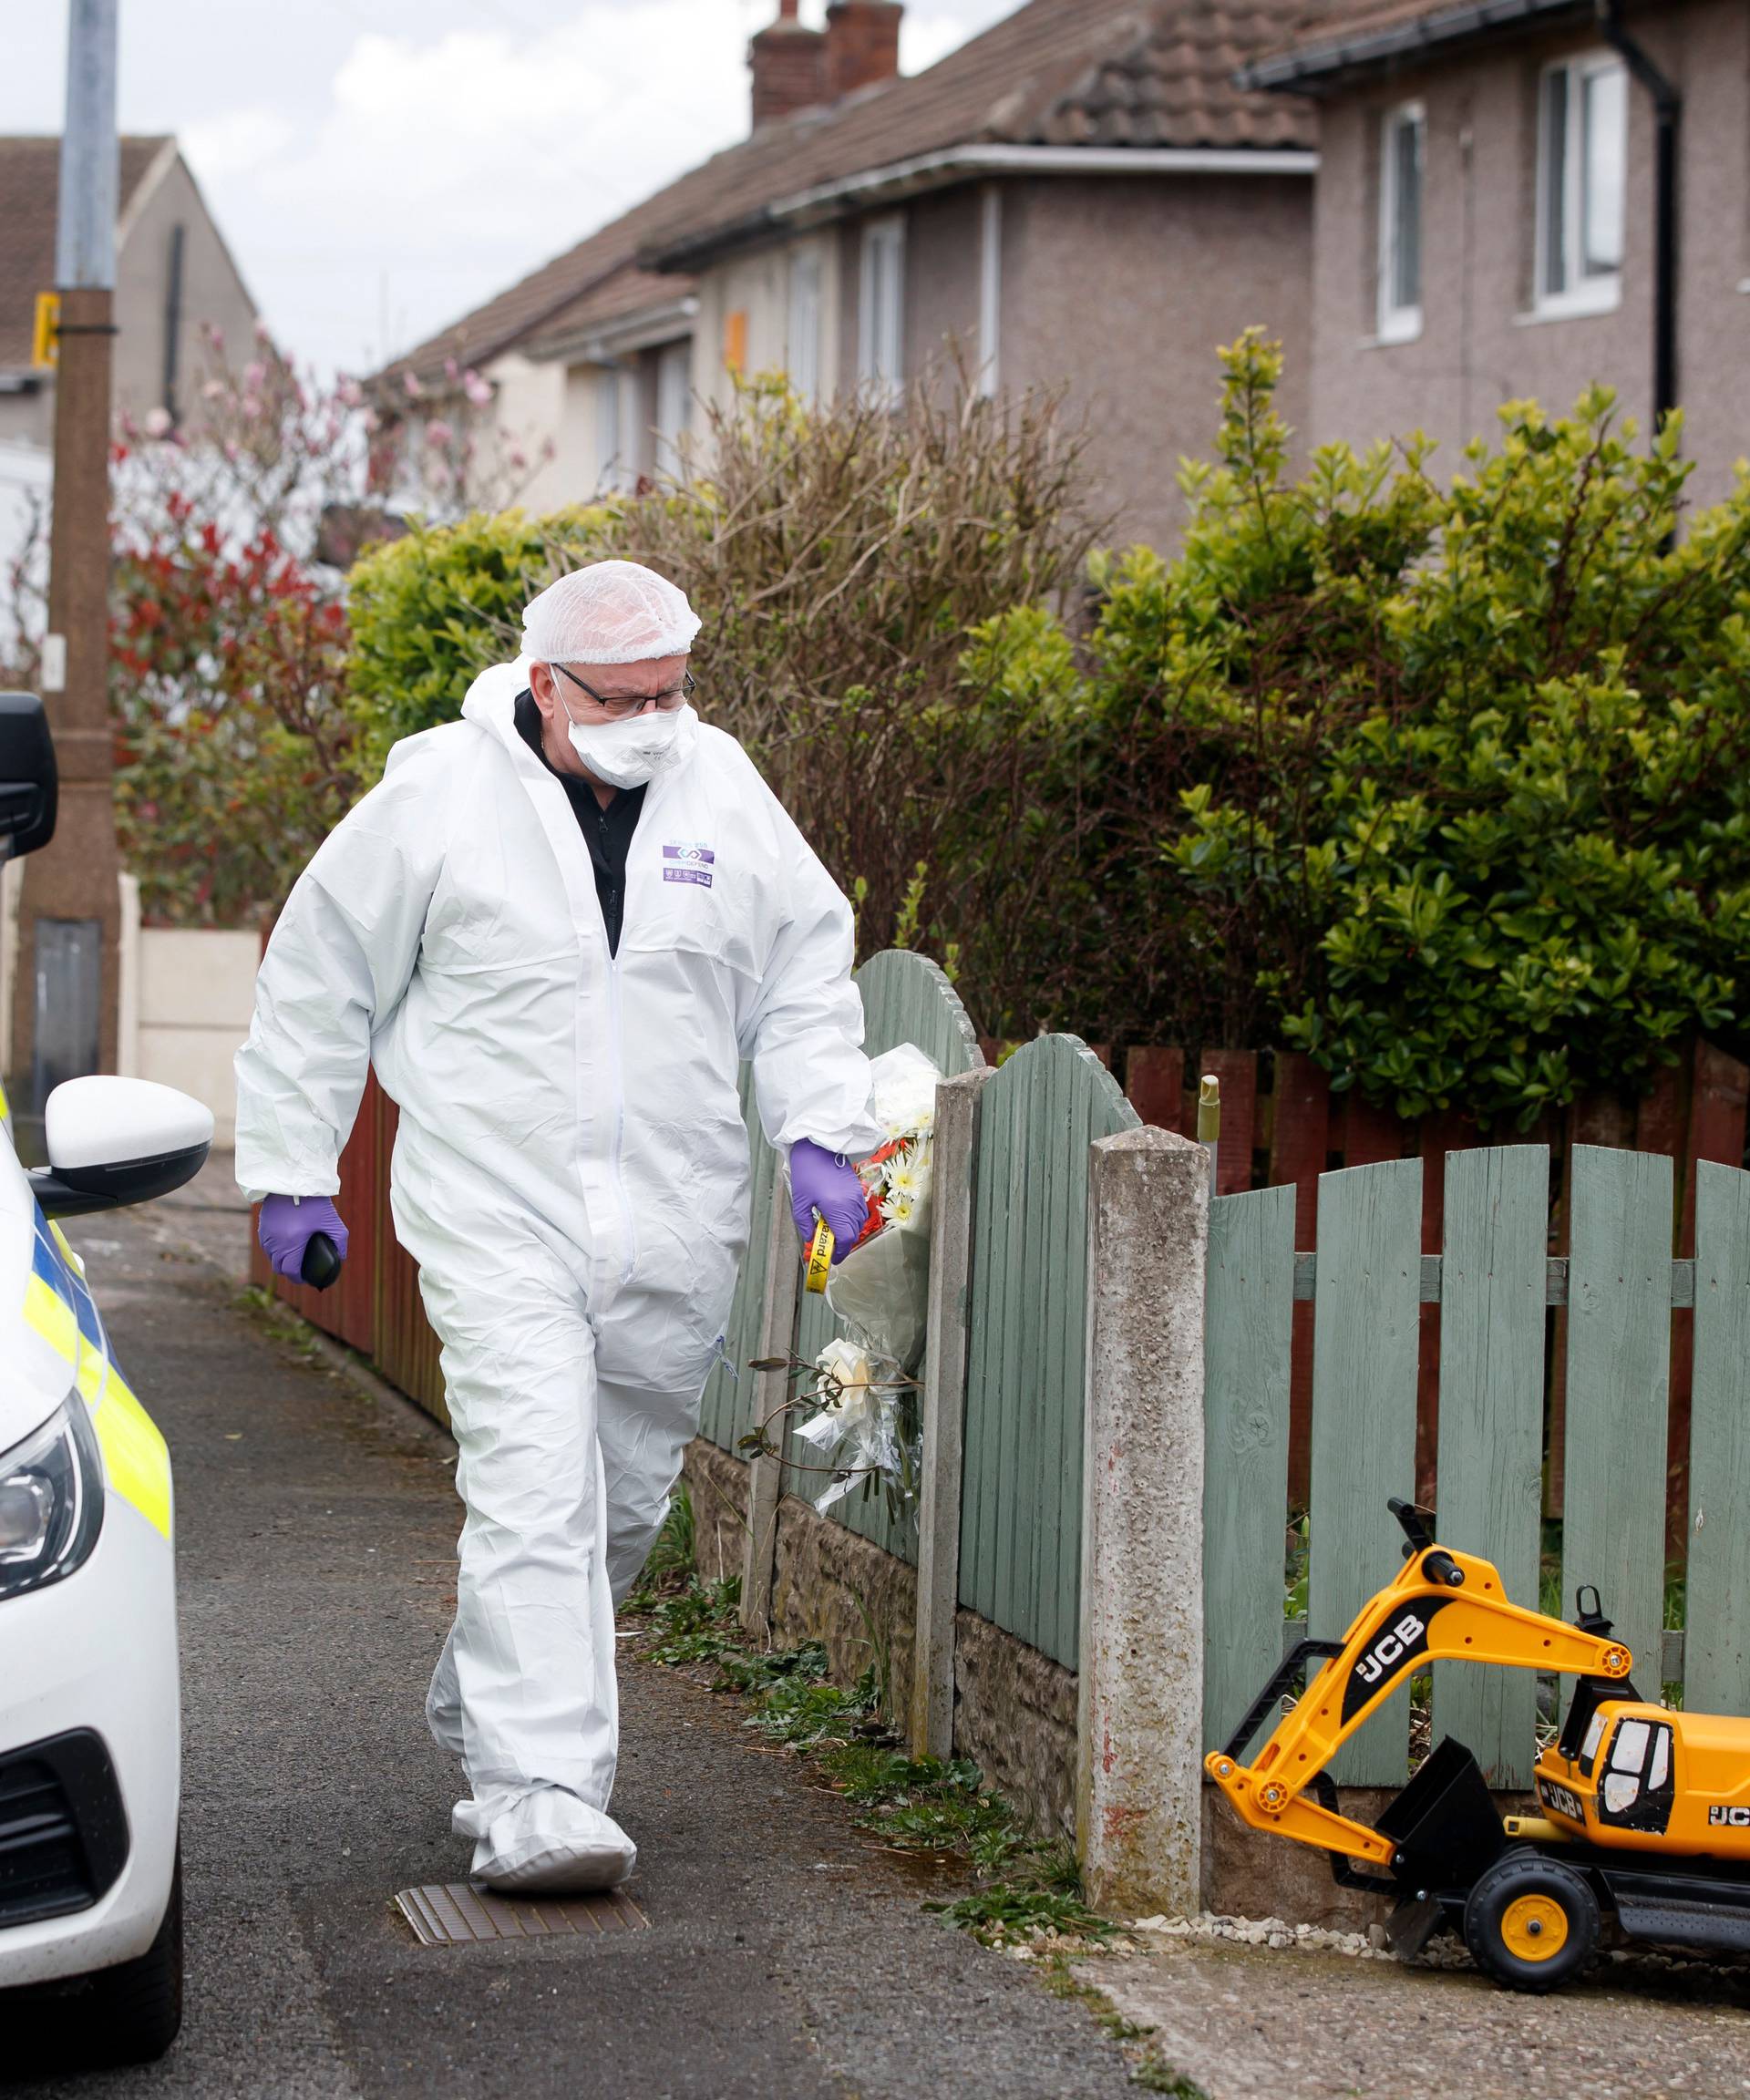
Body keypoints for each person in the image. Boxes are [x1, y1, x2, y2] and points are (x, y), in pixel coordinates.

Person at [236, 560, 878, 1893]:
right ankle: (540, 1800)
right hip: (496, 1204)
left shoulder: (724, 790)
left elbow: (805, 970)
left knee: (616, 1506)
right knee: (533, 1481)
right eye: (626, 697)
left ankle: (486, 1707)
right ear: (545, 686)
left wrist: (823, 1128)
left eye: (674, 690)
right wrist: (293, 1169)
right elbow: (318, 976)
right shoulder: (437, 799)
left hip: (675, 1216)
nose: (657, 718)